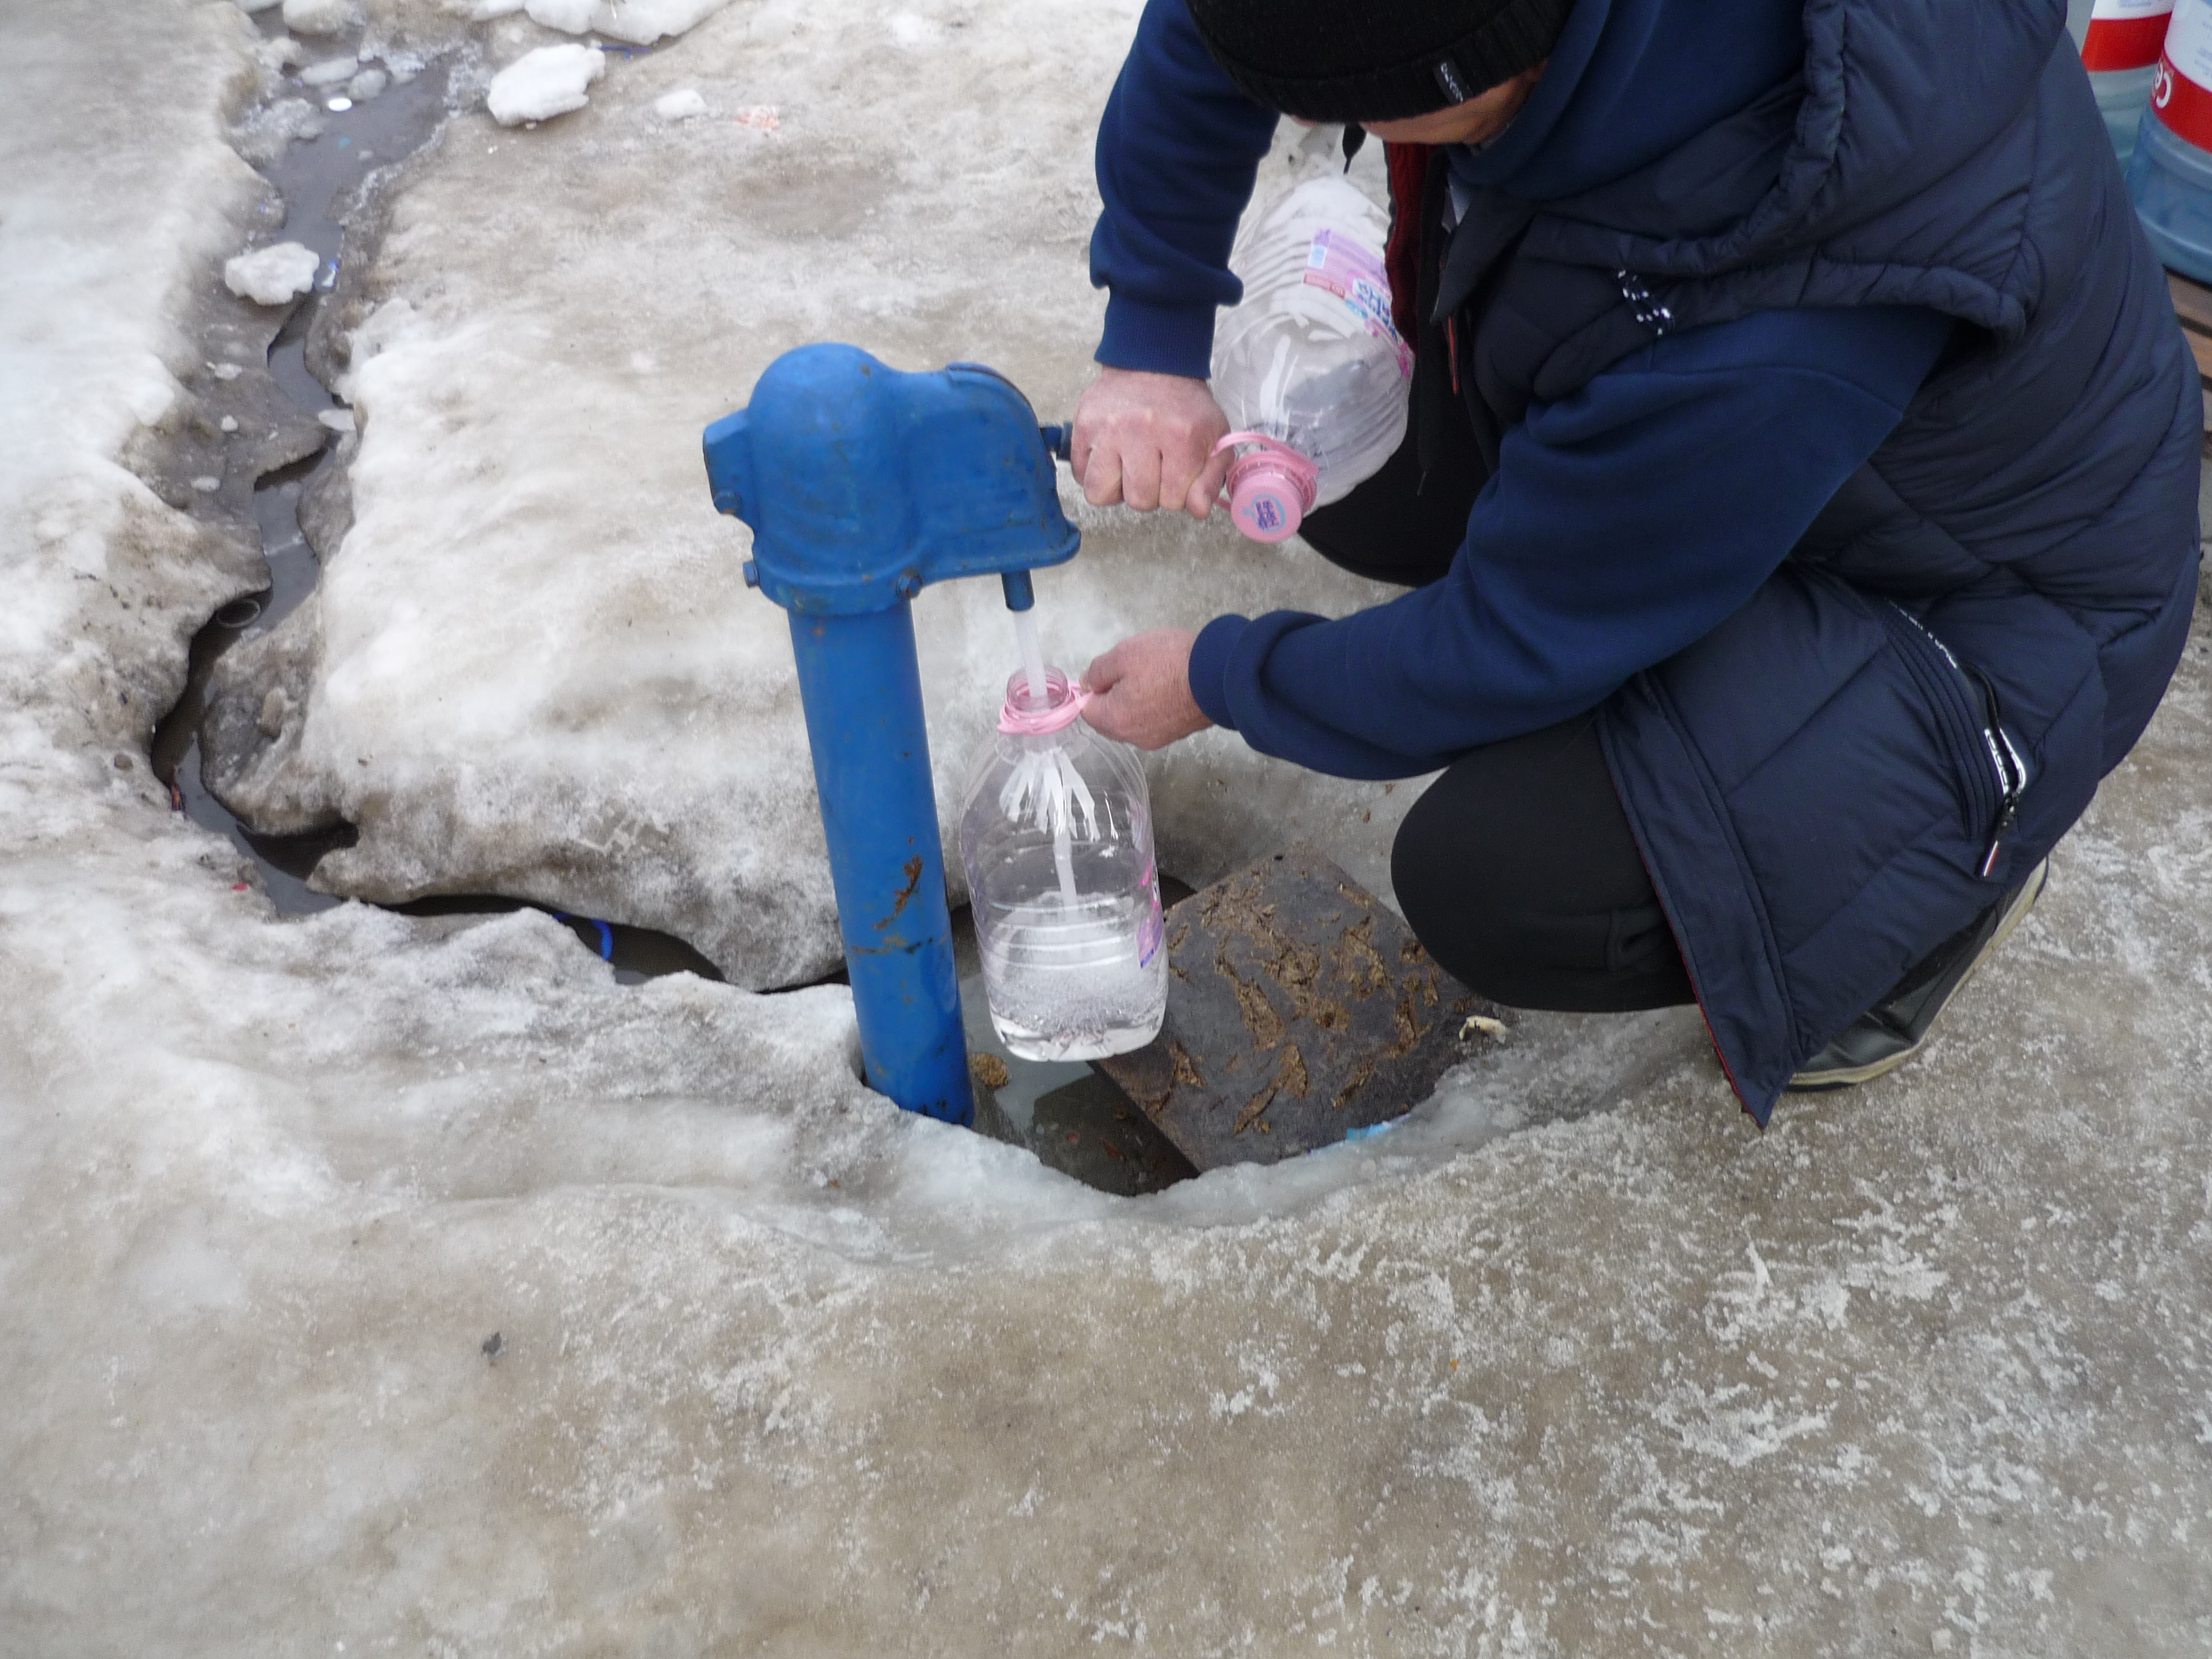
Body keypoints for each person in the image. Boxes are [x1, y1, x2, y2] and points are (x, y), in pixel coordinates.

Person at [1071, 0, 2202, 1123]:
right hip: (1782, 450)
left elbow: (1512, 640)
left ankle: (1937, 893)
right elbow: (1230, 28)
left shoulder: (1778, 274)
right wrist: (1153, 332)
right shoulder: (1530, 45)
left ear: (1479, 76)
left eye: (1364, 117)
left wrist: (1218, 678)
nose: (1318, 129)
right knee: (1366, 499)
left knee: (1503, 879)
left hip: (1983, 622)